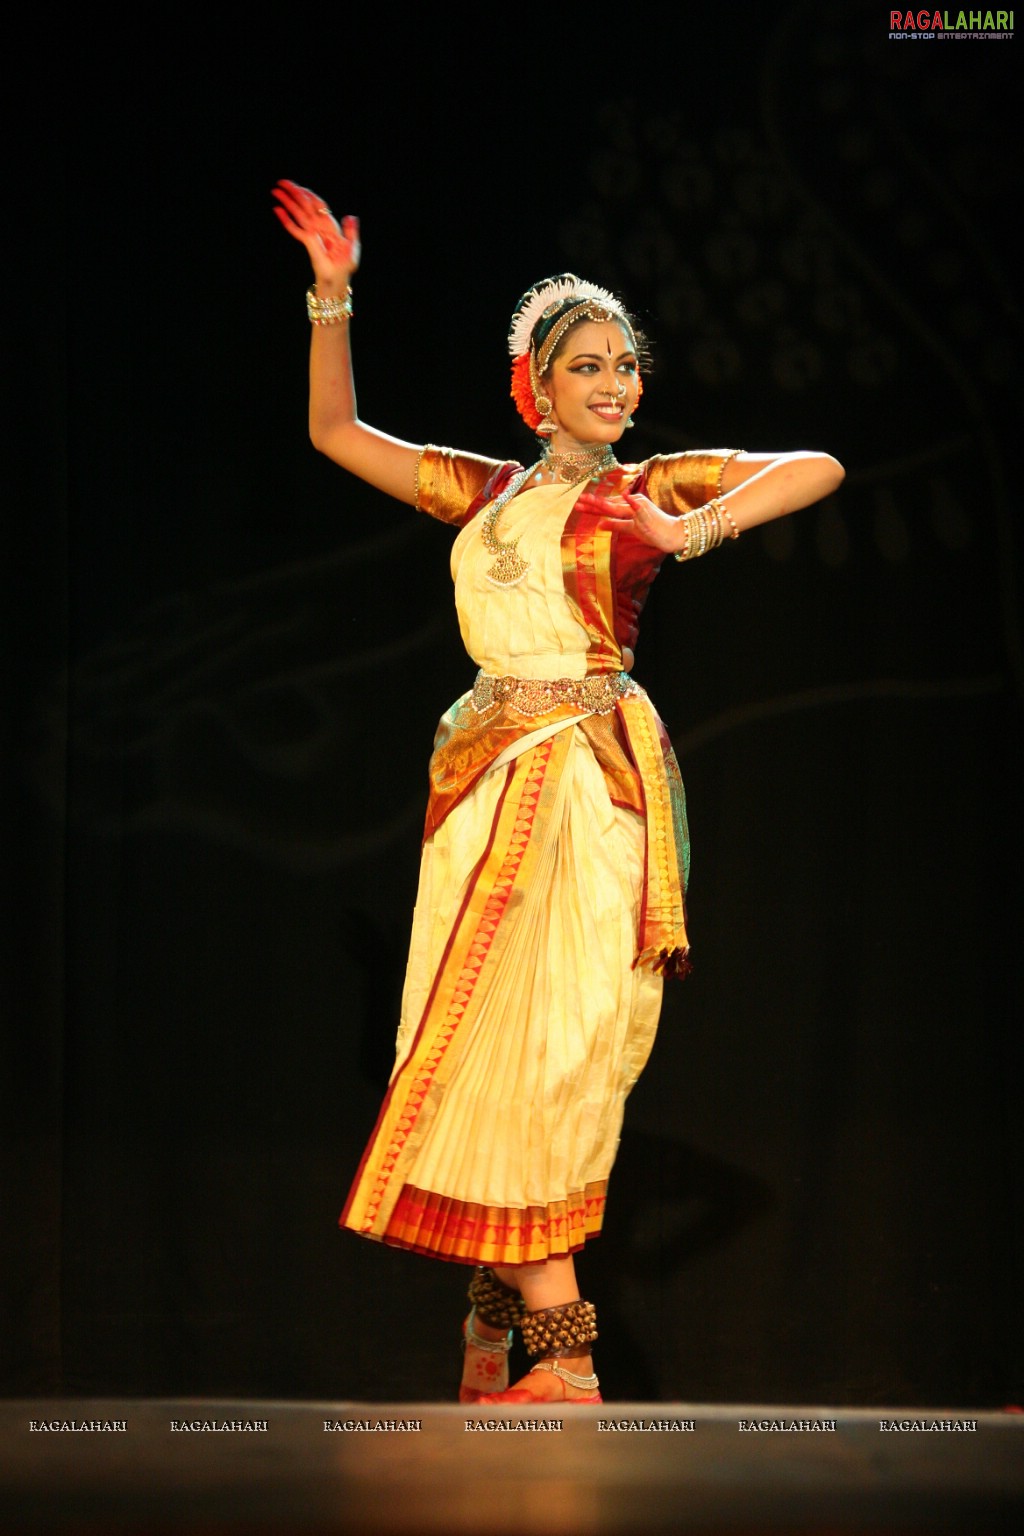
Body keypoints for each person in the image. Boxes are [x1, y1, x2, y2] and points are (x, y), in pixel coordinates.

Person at [273, 179, 845, 1406]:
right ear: (536, 386)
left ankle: (565, 1357)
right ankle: (502, 1338)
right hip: (481, 782)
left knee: (539, 1049)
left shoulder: (642, 488)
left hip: (581, 788)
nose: (616, 385)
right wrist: (333, 298)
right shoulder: (489, 492)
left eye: (627, 366)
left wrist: (701, 527)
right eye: (589, 366)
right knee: (475, 1039)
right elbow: (337, 437)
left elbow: (818, 463)